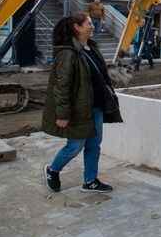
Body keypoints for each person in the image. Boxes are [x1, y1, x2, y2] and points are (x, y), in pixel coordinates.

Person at [42, 13, 122, 194]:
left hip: (96, 106)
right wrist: (62, 115)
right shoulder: (67, 53)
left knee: (94, 144)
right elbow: (61, 86)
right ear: (77, 27)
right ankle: (52, 170)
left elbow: (99, 75)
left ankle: (90, 181)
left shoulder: (92, 48)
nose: (92, 26)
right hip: (79, 109)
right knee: (75, 145)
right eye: (88, 23)